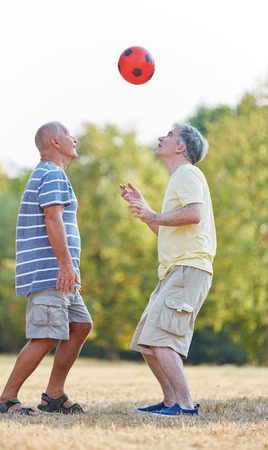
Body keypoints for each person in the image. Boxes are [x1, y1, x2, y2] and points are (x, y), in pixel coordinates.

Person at [0, 122, 92, 416]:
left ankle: (54, 395)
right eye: (68, 135)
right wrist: (65, 266)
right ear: (54, 142)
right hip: (53, 272)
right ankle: (6, 400)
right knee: (47, 335)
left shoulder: (52, 174)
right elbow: (52, 220)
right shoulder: (51, 173)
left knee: (80, 326)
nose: (75, 139)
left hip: (61, 273)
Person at [120, 123, 216, 417]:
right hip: (174, 271)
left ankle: (185, 406)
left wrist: (153, 214)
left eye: (169, 135)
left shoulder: (187, 173)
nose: (161, 137)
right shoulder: (178, 179)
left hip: (188, 268)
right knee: (147, 340)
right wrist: (145, 211)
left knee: (161, 338)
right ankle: (170, 400)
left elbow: (193, 215)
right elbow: (165, 231)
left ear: (180, 148)